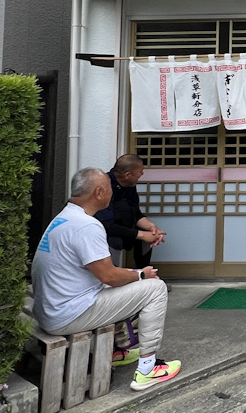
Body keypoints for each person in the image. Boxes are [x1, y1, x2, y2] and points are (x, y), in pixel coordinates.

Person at [31, 167, 182, 392]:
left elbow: (103, 274)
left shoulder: (64, 218)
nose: (113, 193)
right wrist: (141, 274)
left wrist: (134, 276)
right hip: (67, 314)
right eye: (110, 188)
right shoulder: (87, 226)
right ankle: (148, 369)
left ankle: (116, 351)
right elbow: (109, 276)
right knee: (156, 288)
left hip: (51, 309)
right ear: (100, 192)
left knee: (128, 281)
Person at [95, 154, 166, 269]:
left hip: (124, 225)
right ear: (127, 175)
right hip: (106, 229)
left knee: (148, 233)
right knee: (115, 240)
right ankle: (113, 275)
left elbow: (135, 213)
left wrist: (151, 228)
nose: (142, 174)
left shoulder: (130, 185)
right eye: (140, 171)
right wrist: (142, 235)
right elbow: (107, 225)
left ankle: (143, 273)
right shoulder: (105, 186)